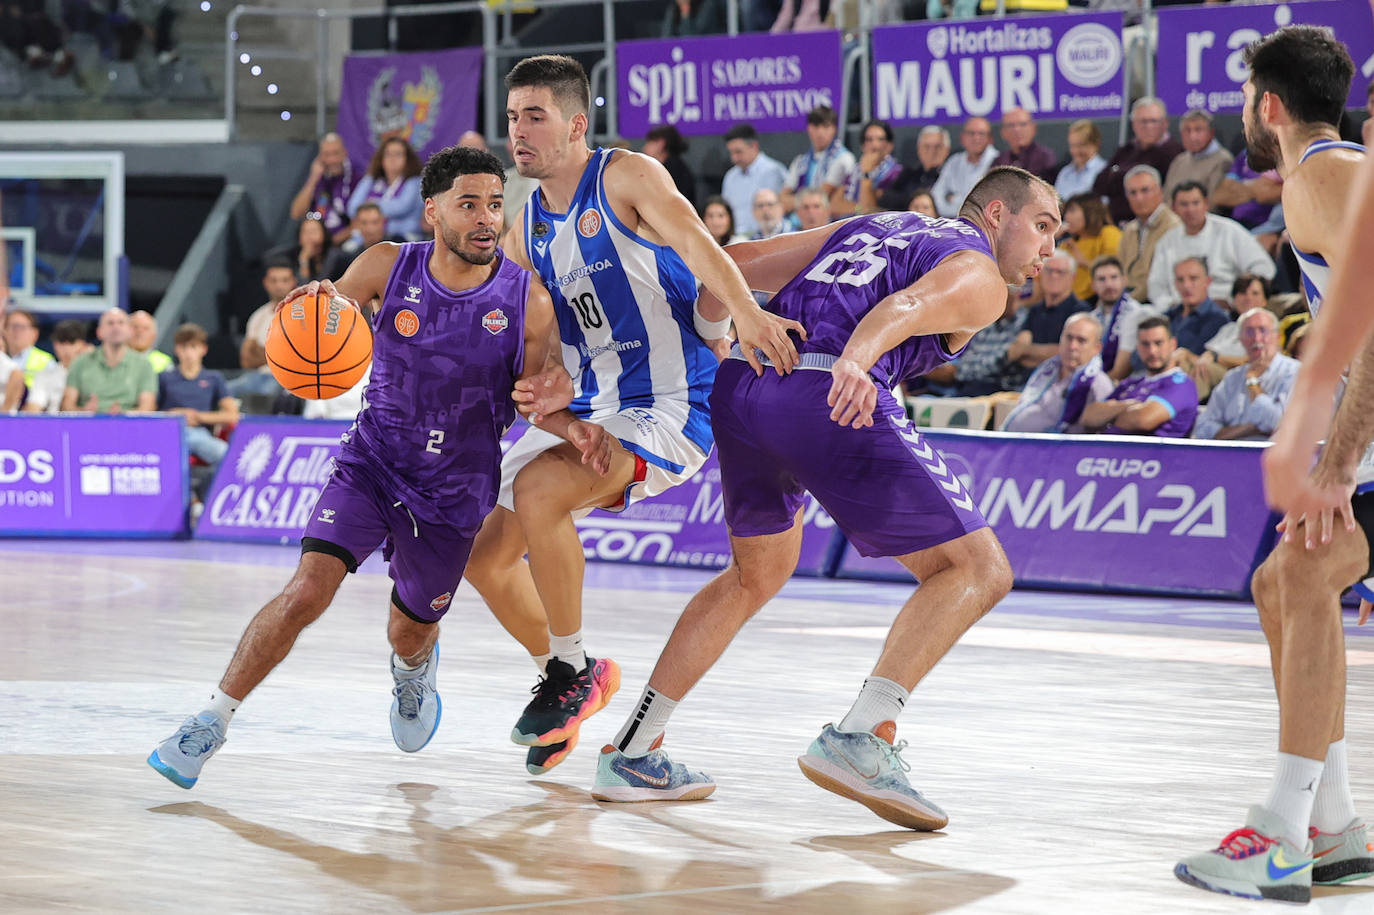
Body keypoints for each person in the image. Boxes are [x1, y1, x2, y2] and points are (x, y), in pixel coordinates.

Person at [588, 167, 1058, 826]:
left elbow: (739, 262)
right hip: (823, 389)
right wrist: (858, 363)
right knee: (979, 568)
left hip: (744, 386)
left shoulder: (871, 225)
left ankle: (633, 750)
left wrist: (714, 328)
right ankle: (860, 735)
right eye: (1043, 226)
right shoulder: (977, 272)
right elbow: (905, 309)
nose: (1050, 250)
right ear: (997, 213)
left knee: (757, 573)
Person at [146, 144, 605, 790]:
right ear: (431, 212)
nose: (485, 218)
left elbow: (534, 401)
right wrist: (309, 304)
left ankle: (414, 669)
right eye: (468, 204)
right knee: (307, 588)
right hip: (372, 463)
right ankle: (209, 720)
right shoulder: (388, 266)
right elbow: (323, 312)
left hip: (455, 493)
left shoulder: (528, 302)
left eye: (495, 205)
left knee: (407, 630)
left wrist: (574, 425)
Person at [468, 55, 804, 777]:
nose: (518, 132)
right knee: (486, 558)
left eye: (535, 116)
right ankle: (576, 674)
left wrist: (745, 313)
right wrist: (548, 382)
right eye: (512, 117)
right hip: (597, 404)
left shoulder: (626, 176)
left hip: (673, 403)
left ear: (575, 124)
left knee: (539, 493)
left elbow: (697, 243)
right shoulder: (527, 226)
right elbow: (547, 338)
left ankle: (569, 674)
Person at [1177, 26, 1374, 904]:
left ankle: (1283, 833)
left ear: (1268, 104)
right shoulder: (1332, 174)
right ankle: (1331, 822)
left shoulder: (1323, 174)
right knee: (1282, 582)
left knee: (1299, 574)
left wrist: (1335, 464)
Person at [1147, 181, 1276, 310]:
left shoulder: (1230, 231)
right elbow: (1155, 286)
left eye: (1195, 203)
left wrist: (1237, 298)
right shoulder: (1166, 241)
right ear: (1174, 208)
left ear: (1206, 204)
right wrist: (1171, 307)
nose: (1190, 210)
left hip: (1226, 307)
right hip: (1180, 311)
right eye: (1184, 204)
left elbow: (1264, 268)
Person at [1079, 315, 1198, 437]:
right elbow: (1088, 417)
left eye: (1158, 343)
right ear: (1138, 347)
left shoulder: (1182, 384)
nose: (1152, 351)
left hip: (1150, 454)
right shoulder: (1131, 383)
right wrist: (1131, 404)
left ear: (1172, 344)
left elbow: (1142, 420)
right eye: (1145, 344)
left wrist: (1108, 415)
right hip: (1105, 452)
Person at [1191, 308, 1297, 441]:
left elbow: (1278, 423)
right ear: (1240, 339)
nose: (1257, 338)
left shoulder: (1294, 372)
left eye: (1263, 330)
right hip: (1230, 456)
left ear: (1278, 337)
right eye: (1249, 331)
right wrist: (1248, 429)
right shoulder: (1232, 378)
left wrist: (1253, 383)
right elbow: (1202, 428)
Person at [1001, 312, 1113, 433]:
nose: (1072, 346)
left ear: (1097, 348)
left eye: (1081, 340)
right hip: (1012, 441)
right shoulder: (1048, 368)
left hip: (1052, 449)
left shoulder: (1099, 383)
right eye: (1069, 337)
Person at [157, 323, 239, 468]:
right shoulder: (164, 377)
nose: (188, 353)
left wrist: (196, 416)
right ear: (177, 350)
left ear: (203, 349)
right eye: (183, 347)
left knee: (227, 454)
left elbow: (232, 415)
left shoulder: (214, 378)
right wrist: (173, 416)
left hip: (200, 433)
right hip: (169, 431)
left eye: (193, 346)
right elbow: (150, 411)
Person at [1093, 97, 1185, 225]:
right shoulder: (1126, 150)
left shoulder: (1174, 152)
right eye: (1143, 121)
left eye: (1153, 121)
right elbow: (1100, 185)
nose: (1148, 126)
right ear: (1134, 124)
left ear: (1165, 123)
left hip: (1152, 223)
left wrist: (1118, 174)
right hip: (1115, 222)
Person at [1006, 249, 1090, 371]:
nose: (1054, 276)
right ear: (1041, 275)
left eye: (1060, 272)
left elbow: (1072, 354)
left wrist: (1028, 351)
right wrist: (1049, 351)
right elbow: (1017, 351)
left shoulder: (1081, 313)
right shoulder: (1034, 310)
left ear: (1072, 278)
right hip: (1022, 379)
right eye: (1049, 270)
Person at [60, 308, 158, 414]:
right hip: (88, 424)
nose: (116, 327)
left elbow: (147, 407)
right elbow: (67, 406)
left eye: (121, 323)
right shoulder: (80, 363)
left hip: (128, 426)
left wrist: (123, 415)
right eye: (110, 323)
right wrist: (84, 412)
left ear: (130, 331)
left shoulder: (144, 365)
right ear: (99, 332)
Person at [230, 258, 295, 400]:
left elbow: (295, 357)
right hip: (255, 375)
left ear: (293, 282)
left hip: (284, 379)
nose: (279, 285)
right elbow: (246, 359)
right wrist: (275, 354)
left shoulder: (300, 313)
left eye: (284, 280)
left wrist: (261, 351)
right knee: (225, 391)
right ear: (266, 283)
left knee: (265, 395)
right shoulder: (258, 316)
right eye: (274, 280)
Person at [1117, 165, 1181, 303]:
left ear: (1160, 192)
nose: (1139, 198)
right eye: (1133, 193)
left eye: (1145, 190)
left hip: (1155, 301)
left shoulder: (1173, 227)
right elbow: (1119, 271)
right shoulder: (1129, 230)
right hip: (1127, 298)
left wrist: (1125, 304)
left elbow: (1159, 279)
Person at [780, 105, 855, 215]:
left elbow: (820, 198)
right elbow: (782, 199)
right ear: (808, 128)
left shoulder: (844, 158)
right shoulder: (800, 161)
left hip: (833, 223)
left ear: (834, 129)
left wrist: (794, 202)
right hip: (802, 223)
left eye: (826, 126)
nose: (820, 132)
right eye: (815, 126)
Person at [347, 136, 424, 239]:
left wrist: (371, 205)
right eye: (388, 154)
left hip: (404, 238)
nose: (392, 159)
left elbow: (401, 207)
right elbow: (352, 209)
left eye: (398, 154)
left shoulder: (414, 182)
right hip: (369, 239)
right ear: (381, 158)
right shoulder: (371, 179)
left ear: (407, 159)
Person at [1089, 255, 1151, 381]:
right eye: (1101, 279)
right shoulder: (1090, 319)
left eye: (1114, 277)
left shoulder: (1138, 314)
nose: (1109, 284)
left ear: (1124, 280)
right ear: (1093, 286)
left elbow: (1122, 371)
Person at [720, 123, 788, 236]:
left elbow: (779, 211)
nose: (734, 158)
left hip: (766, 237)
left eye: (738, 152)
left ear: (754, 146)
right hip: (735, 239)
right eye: (731, 153)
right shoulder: (730, 177)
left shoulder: (773, 172)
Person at [289, 133, 356, 245]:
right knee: (274, 258)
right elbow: (296, 213)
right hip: (315, 243)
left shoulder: (356, 179)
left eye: (336, 153)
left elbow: (360, 222)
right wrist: (313, 178)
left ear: (345, 153)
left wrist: (330, 244)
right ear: (320, 157)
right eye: (327, 154)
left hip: (342, 244)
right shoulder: (318, 180)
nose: (332, 160)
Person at [1163, 109, 1234, 201]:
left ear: (1211, 133)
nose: (1192, 136)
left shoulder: (1223, 161)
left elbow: (1213, 203)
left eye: (1198, 130)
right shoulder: (1179, 161)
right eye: (1187, 130)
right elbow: (1166, 197)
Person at [931, 117, 997, 217]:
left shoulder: (997, 161)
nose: (976, 138)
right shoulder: (954, 161)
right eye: (971, 133)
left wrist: (953, 198)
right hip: (950, 222)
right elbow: (935, 196)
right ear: (962, 137)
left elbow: (982, 205)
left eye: (981, 134)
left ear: (990, 139)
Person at [1060, 193, 1121, 301]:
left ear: (1090, 212)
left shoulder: (1108, 233)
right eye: (1066, 212)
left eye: (1072, 211)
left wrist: (1084, 261)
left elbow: (1114, 270)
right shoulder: (1067, 244)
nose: (1066, 217)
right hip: (1067, 301)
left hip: (1097, 299)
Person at [22, 319, 88, 413]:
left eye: (72, 342)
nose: (66, 348)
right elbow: (34, 406)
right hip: (53, 424)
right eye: (61, 342)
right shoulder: (44, 375)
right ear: (54, 345)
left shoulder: (94, 375)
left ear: (83, 344)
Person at [268, 216, 346, 285]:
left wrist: (304, 259)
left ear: (324, 234)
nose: (309, 237)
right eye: (305, 232)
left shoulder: (333, 254)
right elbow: (299, 287)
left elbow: (316, 286)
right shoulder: (294, 254)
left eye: (313, 231)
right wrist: (303, 260)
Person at [992, 107, 1057, 181]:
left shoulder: (1045, 157)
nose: (1017, 130)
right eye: (1011, 125)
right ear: (1003, 132)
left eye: (1023, 124)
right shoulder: (999, 162)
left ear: (1033, 128)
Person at [642, 125, 697, 205]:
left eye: (649, 142)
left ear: (661, 144)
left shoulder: (675, 170)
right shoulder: (666, 167)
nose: (644, 148)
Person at [1054, 119, 1107, 202]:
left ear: (1095, 144)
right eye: (1072, 146)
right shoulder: (1065, 173)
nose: (1075, 151)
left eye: (1081, 145)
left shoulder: (1104, 171)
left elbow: (1103, 205)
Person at [2, 308, 52, 387]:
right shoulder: (2, 357)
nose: (17, 332)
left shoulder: (46, 361)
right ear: (4, 331)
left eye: (22, 327)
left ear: (35, 333)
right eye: (13, 326)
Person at [128, 309, 172, 373]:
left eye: (145, 328)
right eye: (135, 327)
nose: (140, 332)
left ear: (154, 335)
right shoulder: (116, 358)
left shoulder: (164, 363)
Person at [908, 125, 951, 191]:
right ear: (919, 149)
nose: (932, 152)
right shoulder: (907, 177)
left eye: (937, 147)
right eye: (927, 147)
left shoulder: (954, 176)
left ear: (947, 150)